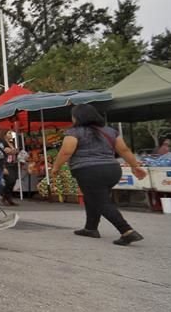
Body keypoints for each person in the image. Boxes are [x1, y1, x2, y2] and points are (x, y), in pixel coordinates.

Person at [50, 104, 146, 246]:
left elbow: (66, 152)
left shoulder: (74, 132)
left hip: (89, 171)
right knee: (94, 198)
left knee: (101, 202)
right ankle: (91, 228)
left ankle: (127, 231)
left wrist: (55, 168)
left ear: (77, 117)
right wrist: (135, 166)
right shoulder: (110, 131)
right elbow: (124, 150)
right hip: (112, 170)